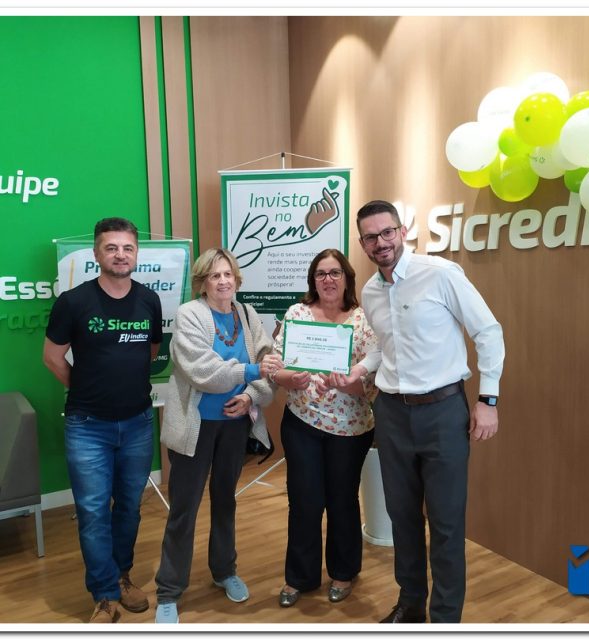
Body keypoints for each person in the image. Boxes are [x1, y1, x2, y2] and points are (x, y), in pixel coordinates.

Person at [342, 200, 505, 623]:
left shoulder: (441, 274)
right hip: (392, 414)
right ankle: (411, 604)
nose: (381, 242)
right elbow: (386, 345)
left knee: (446, 523)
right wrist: (361, 368)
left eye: (387, 232)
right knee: (402, 516)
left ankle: (445, 619)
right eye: (371, 237)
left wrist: (488, 400)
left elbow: (488, 332)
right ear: (362, 243)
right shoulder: (370, 292)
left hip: (443, 412)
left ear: (401, 232)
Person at [43, 217, 163, 623]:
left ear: (136, 253)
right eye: (111, 248)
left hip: (138, 423)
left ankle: (122, 576)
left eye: (127, 248)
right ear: (97, 254)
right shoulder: (73, 302)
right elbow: (52, 357)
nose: (120, 255)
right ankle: (105, 594)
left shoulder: (149, 300)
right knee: (94, 512)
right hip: (87, 426)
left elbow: (150, 350)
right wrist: (87, 388)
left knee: (129, 507)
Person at [154, 248, 283, 624]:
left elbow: (268, 362)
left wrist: (250, 396)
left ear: (236, 278)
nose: (223, 281)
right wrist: (253, 371)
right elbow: (204, 371)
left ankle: (225, 570)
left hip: (234, 426)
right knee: (184, 508)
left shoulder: (247, 314)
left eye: (228, 274)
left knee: (226, 501)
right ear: (202, 283)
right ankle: (169, 590)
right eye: (214, 275)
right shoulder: (189, 314)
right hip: (195, 428)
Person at [271, 248, 379, 608]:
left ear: (347, 278)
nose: (328, 280)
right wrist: (291, 378)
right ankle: (299, 577)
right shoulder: (297, 314)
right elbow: (277, 367)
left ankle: (343, 572)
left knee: (342, 500)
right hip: (301, 422)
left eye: (335, 273)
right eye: (321, 274)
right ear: (312, 280)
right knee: (304, 501)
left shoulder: (364, 320)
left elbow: (372, 383)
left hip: (350, 428)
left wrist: (349, 385)